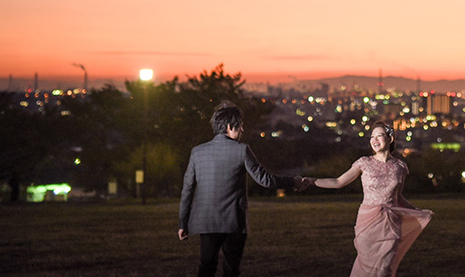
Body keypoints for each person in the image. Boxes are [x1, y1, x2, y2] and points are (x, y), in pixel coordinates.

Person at [178, 101, 304, 277]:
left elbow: (187, 190)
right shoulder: (242, 150)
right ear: (230, 126)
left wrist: (183, 223)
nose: (242, 130)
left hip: (206, 221)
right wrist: (294, 182)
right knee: (231, 270)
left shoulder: (197, 152)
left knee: (206, 266)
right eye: (240, 126)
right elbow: (265, 180)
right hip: (233, 221)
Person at [306, 121, 432, 277]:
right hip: (368, 223)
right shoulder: (364, 163)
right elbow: (339, 182)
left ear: (390, 138)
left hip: (391, 225)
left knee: (384, 269)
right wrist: (312, 181)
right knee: (366, 267)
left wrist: (418, 212)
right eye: (372, 137)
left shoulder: (400, 167)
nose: (375, 140)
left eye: (379, 136)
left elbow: (398, 198)